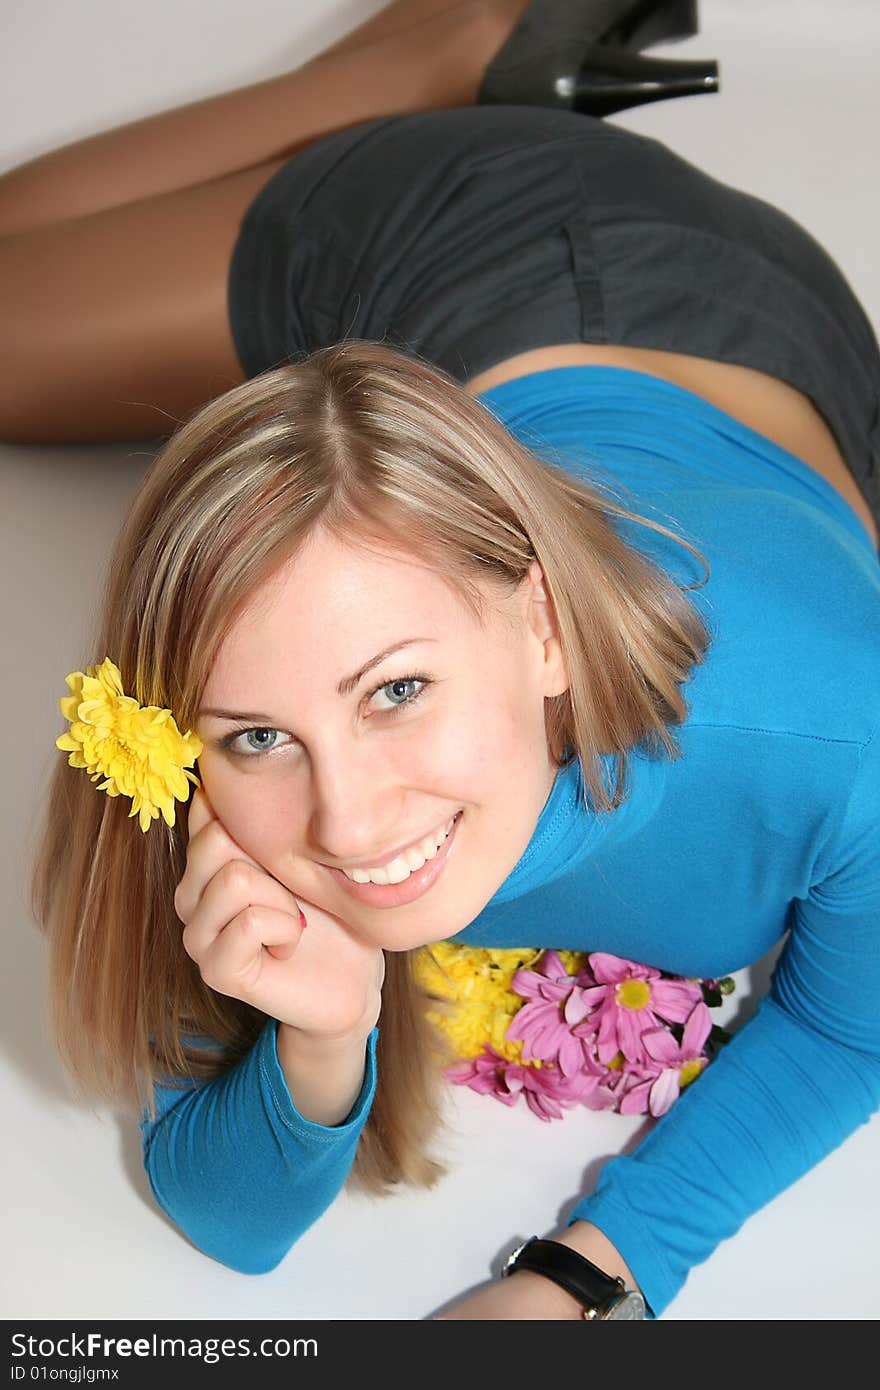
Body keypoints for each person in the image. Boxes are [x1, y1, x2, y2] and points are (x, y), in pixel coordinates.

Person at [15, 0, 880, 1320]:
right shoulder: (213, 787)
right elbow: (224, 1218)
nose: (347, 821)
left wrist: (586, 1278)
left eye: (397, 690)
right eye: (256, 733)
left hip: (586, 254)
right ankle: (396, 69)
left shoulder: (829, 732)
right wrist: (317, 1033)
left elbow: (849, 1023)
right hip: (454, 294)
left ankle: (415, 68)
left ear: (543, 626)